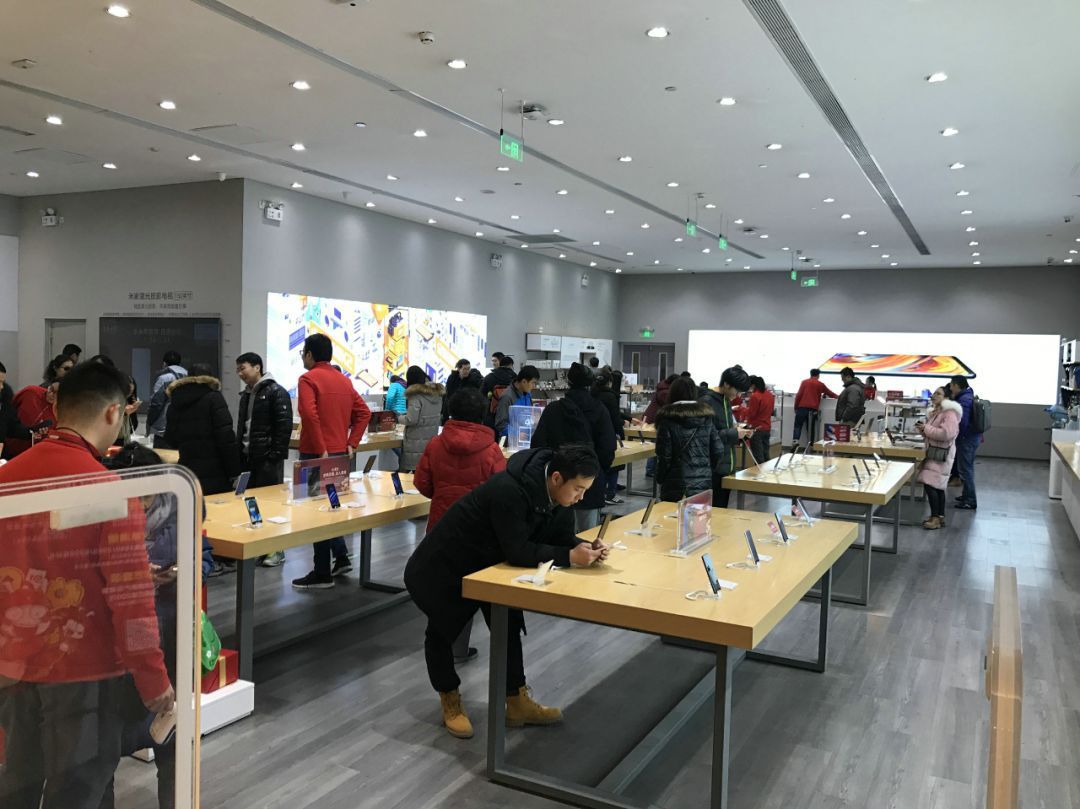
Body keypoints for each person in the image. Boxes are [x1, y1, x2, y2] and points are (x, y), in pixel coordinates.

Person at [0, 362, 173, 809]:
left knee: (17, 782)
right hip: (84, 671)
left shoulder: (6, 478)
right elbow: (132, 605)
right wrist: (154, 681)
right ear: (114, 413)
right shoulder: (109, 491)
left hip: (13, 661)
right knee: (79, 790)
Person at [403, 444, 606, 739]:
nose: (581, 497)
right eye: (578, 489)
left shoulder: (557, 496)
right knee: (441, 632)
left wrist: (581, 547)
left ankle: (516, 701)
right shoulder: (508, 490)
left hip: (490, 565)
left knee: (508, 624)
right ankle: (450, 698)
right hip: (446, 564)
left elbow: (558, 537)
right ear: (557, 478)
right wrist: (569, 556)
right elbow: (518, 549)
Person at [106, 442, 215, 809]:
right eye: (136, 497)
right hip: (120, 645)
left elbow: (205, 558)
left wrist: (182, 571)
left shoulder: (179, 507)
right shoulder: (105, 517)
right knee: (107, 746)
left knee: (174, 742)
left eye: (148, 497)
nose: (142, 505)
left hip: (170, 634)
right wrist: (133, 578)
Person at [414, 388, 507, 665]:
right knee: (469, 589)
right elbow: (500, 492)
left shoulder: (435, 444)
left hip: (440, 525)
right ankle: (460, 649)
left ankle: (441, 649)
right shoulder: (491, 450)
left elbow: (422, 482)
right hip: (478, 532)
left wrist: (443, 497)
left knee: (443, 588)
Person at [293, 334, 372, 589]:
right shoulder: (343, 380)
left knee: (315, 513)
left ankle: (322, 572)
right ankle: (340, 556)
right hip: (339, 454)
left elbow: (309, 414)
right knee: (332, 508)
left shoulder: (307, 379)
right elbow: (364, 413)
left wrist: (320, 448)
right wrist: (352, 443)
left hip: (315, 454)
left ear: (309, 354)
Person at [532, 363, 616, 530]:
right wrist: (595, 472)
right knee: (587, 535)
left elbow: (537, 445)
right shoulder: (599, 409)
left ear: (568, 383)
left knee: (554, 534)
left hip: (558, 482)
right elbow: (607, 449)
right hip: (588, 482)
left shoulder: (553, 409)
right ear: (590, 384)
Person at [236, 352, 293, 567]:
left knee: (271, 505)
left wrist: (275, 454)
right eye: (238, 370)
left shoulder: (276, 392)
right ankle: (259, 546)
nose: (240, 373)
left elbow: (284, 427)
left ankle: (276, 550)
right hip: (248, 456)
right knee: (252, 503)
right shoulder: (246, 395)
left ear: (257, 367)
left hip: (268, 459)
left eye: (243, 368)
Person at [164, 363, 242, 496]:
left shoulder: (175, 401)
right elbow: (225, 436)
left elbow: (171, 439)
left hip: (187, 471)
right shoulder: (214, 397)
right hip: (215, 471)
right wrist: (234, 471)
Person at [655, 376, 725, 502]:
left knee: (672, 514)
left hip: (676, 484)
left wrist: (660, 478)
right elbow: (718, 451)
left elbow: (664, 457)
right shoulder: (706, 418)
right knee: (699, 514)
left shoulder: (667, 420)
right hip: (703, 483)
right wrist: (706, 471)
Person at [699, 365, 753, 508]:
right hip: (711, 468)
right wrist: (734, 433)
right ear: (727, 384)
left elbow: (723, 430)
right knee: (711, 511)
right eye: (737, 390)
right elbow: (704, 436)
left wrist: (741, 433)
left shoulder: (725, 401)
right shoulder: (707, 401)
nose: (738, 395)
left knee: (721, 510)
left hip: (725, 465)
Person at [916, 387, 962, 529]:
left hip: (940, 455)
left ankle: (935, 518)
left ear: (946, 397)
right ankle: (939, 517)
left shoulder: (949, 413)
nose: (934, 396)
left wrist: (926, 428)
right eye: (934, 393)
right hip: (936, 453)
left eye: (938, 393)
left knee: (930, 484)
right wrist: (924, 430)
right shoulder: (939, 412)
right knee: (938, 486)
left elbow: (946, 434)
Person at [399, 366, 445, 471]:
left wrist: (399, 418)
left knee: (411, 474)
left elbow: (411, 419)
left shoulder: (415, 395)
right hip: (431, 441)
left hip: (415, 442)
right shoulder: (437, 394)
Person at [591, 368, 626, 504]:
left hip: (595, 435)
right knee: (614, 463)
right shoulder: (611, 396)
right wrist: (621, 433)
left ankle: (602, 491)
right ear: (610, 382)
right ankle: (610, 493)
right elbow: (615, 417)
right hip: (608, 433)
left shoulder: (592, 394)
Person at [950, 375, 982, 510]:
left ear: (956, 385)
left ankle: (970, 500)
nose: (950, 388)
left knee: (965, 470)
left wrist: (954, 435)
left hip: (966, 439)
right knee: (967, 468)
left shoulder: (963, 400)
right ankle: (966, 495)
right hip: (972, 437)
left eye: (951, 385)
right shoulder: (969, 396)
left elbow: (962, 422)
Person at [6, 382, 58, 459]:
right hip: (5, 442)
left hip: (26, 456)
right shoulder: (30, 392)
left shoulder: (61, 415)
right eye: (51, 389)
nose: (51, 394)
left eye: (56, 394)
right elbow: (8, 408)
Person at [147, 351, 187, 448]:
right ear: (179, 363)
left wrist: (149, 422)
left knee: (162, 456)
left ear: (164, 363)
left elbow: (156, 404)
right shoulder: (190, 378)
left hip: (163, 430)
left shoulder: (164, 379)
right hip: (185, 428)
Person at [736, 376, 775, 467]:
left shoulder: (755, 396)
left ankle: (759, 474)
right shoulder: (769, 395)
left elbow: (752, 413)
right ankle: (766, 473)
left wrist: (741, 409)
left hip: (756, 428)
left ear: (753, 385)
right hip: (767, 427)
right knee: (766, 454)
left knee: (758, 457)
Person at [792, 369, 837, 446]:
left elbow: (799, 395)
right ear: (818, 375)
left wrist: (796, 407)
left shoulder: (804, 382)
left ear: (810, 374)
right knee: (810, 428)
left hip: (802, 408)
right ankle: (810, 445)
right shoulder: (820, 384)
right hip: (812, 410)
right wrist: (839, 397)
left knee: (798, 426)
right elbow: (830, 393)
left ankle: (795, 442)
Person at [494, 365, 540, 439]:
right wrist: (516, 434)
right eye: (533, 383)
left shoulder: (527, 394)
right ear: (524, 381)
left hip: (525, 438)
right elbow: (500, 424)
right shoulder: (507, 397)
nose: (534, 386)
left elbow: (527, 415)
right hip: (511, 440)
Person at [441, 358, 483, 424]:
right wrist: (445, 417)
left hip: (469, 409)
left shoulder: (473, 379)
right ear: (458, 369)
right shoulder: (452, 378)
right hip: (455, 408)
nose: (467, 371)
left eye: (468, 369)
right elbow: (448, 396)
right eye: (464, 369)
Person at [115, 375, 141, 446]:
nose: (129, 394)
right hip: (116, 437)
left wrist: (132, 410)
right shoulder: (114, 399)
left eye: (132, 391)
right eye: (128, 391)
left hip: (125, 437)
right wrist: (124, 413)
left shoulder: (130, 400)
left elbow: (134, 424)